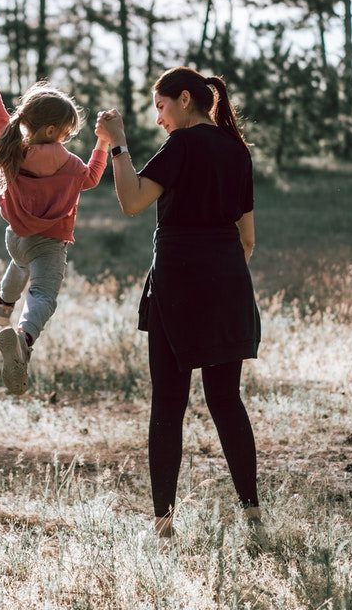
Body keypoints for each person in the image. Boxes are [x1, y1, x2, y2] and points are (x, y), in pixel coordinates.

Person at [94, 66, 263, 544]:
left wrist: (118, 144)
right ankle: (252, 514)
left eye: (162, 108)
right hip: (228, 284)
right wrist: (220, 272)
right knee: (227, 401)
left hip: (178, 286)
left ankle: (164, 526)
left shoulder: (184, 145)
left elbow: (131, 201)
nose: (161, 120)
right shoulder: (236, 150)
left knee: (168, 404)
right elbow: (247, 238)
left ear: (185, 99)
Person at [0, 46, 107, 395]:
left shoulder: (10, 149)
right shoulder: (72, 165)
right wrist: (103, 143)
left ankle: (3, 302)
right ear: (52, 130)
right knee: (43, 295)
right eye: (66, 131)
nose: (67, 137)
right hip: (48, 245)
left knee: (20, 264)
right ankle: (23, 337)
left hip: (16, 239)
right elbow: (93, 178)